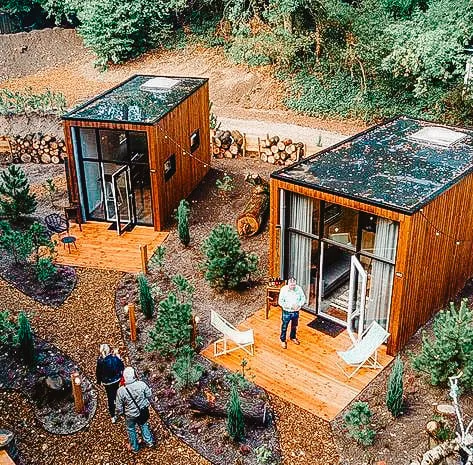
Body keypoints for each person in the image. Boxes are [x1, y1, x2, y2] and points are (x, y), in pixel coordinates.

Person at [116, 366, 155, 453]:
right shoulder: (141, 384)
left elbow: (119, 407)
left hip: (130, 414)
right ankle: (149, 442)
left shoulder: (121, 391)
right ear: (134, 375)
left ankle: (135, 447)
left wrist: (121, 414)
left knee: (131, 429)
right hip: (142, 411)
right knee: (144, 425)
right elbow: (149, 395)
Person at [96, 344, 124, 423]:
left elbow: (98, 373)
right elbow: (121, 367)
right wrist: (119, 358)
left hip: (107, 383)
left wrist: (99, 381)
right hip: (116, 380)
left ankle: (113, 415)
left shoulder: (100, 362)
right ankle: (120, 409)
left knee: (110, 397)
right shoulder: (114, 358)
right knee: (118, 393)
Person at [278, 277, 306, 349]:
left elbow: (303, 298)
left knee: (294, 326)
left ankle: (293, 337)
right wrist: (291, 306)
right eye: (291, 285)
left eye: (294, 285)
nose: (293, 287)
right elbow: (280, 302)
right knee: (284, 327)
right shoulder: (283, 290)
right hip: (287, 312)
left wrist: (299, 304)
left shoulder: (299, 289)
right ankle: (283, 340)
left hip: (296, 312)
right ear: (288, 284)